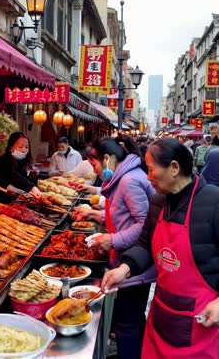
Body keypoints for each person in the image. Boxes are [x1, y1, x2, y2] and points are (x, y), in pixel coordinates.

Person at [101, 138, 219, 359]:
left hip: (202, 321)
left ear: (174, 168)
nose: (147, 177)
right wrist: (125, 268)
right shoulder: (157, 202)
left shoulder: (213, 201)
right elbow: (145, 245)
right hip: (162, 314)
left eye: (151, 169)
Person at [72, 136, 155, 359]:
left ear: (107, 159)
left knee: (128, 323)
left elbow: (145, 224)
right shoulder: (121, 178)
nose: (95, 170)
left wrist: (114, 239)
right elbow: (122, 214)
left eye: (94, 164)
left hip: (134, 263)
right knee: (130, 319)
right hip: (126, 260)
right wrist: (96, 214)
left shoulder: (129, 181)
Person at [0, 132, 41, 218]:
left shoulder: (22, 162)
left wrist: (33, 177)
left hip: (9, 203)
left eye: (27, 147)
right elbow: (13, 176)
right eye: (20, 147)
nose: (24, 150)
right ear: (11, 147)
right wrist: (32, 187)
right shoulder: (3, 160)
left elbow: (22, 180)